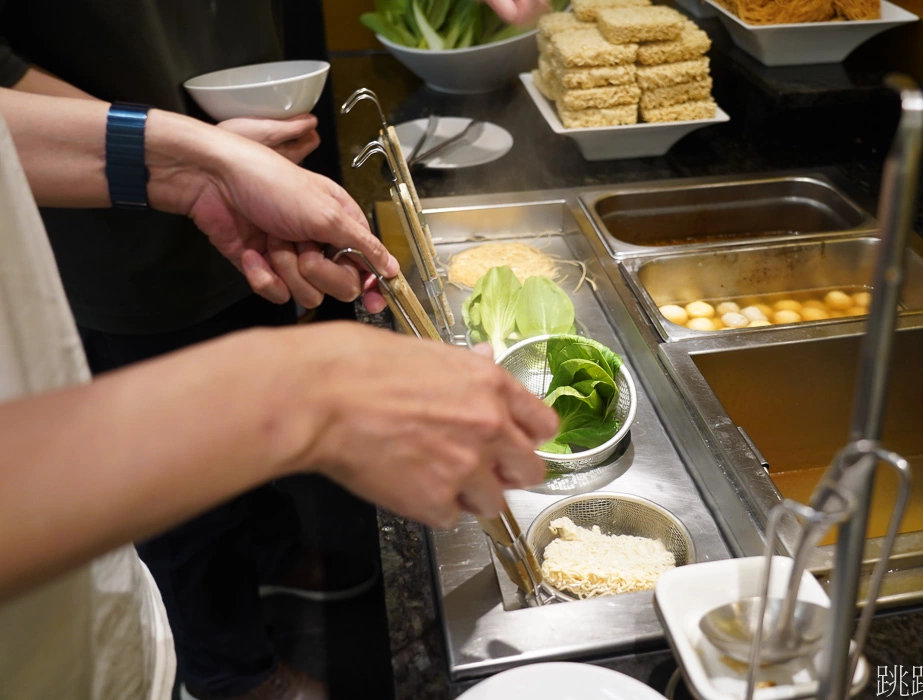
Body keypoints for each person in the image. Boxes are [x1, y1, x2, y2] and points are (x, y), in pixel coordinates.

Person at [0, 1, 549, 697]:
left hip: (86, 622)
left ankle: (270, 561)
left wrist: (199, 166)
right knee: (192, 520)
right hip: (31, 651)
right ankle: (228, 674)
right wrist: (302, 392)